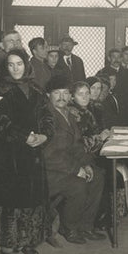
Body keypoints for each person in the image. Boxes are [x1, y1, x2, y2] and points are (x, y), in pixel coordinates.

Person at [0, 49, 54, 254]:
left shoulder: (36, 89)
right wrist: (24, 136)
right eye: (11, 65)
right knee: (5, 199)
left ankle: (26, 241)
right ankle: (0, 245)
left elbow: (47, 116)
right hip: (6, 153)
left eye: (19, 64)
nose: (15, 69)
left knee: (29, 196)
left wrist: (44, 135)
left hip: (32, 153)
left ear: (27, 65)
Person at [43, 76, 105, 244]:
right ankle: (69, 228)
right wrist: (76, 169)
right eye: (57, 93)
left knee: (98, 177)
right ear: (48, 95)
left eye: (65, 93)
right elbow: (50, 155)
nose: (62, 97)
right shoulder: (46, 117)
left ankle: (86, 226)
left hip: (65, 166)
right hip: (49, 171)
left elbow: (77, 146)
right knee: (78, 185)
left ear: (70, 96)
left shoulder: (68, 114)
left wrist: (86, 164)